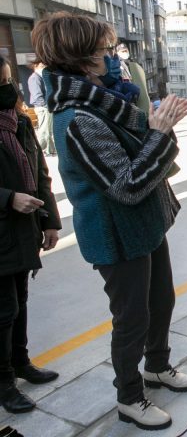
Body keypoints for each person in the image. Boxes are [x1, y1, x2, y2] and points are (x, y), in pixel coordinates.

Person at [32, 12, 187, 430]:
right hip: (116, 236)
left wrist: (158, 128)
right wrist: (158, 132)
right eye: (105, 50)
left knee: (162, 302)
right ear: (82, 59)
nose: (113, 57)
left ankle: (157, 367)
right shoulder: (79, 119)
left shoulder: (106, 101)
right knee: (131, 320)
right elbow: (126, 186)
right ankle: (130, 397)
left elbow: (140, 158)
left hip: (143, 227)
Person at [0, 55, 61, 413]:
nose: (9, 89)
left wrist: (49, 220)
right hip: (4, 227)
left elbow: (39, 173)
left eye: (9, 80)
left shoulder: (18, 123)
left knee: (20, 302)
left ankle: (21, 363)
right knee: (3, 310)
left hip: (22, 229)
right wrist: (8, 198)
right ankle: (4, 382)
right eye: (1, 82)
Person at [27, 62, 55, 156]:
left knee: (48, 130)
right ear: (36, 66)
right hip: (42, 107)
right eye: (42, 66)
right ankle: (42, 150)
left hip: (45, 106)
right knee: (44, 130)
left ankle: (49, 149)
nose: (44, 67)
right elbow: (37, 95)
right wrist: (45, 105)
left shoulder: (40, 77)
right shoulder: (35, 77)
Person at [116, 43, 151, 115]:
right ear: (118, 53)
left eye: (125, 51)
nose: (125, 53)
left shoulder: (130, 64)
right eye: (122, 51)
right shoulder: (118, 65)